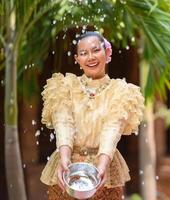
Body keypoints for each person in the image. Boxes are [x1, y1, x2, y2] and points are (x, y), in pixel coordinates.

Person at [40, 31, 145, 199]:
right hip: (67, 168)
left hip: (105, 168)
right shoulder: (64, 86)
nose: (90, 57)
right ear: (77, 59)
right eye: (83, 53)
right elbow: (63, 123)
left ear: (107, 52)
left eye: (96, 50)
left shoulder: (121, 91)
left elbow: (112, 129)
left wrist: (101, 165)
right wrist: (64, 157)